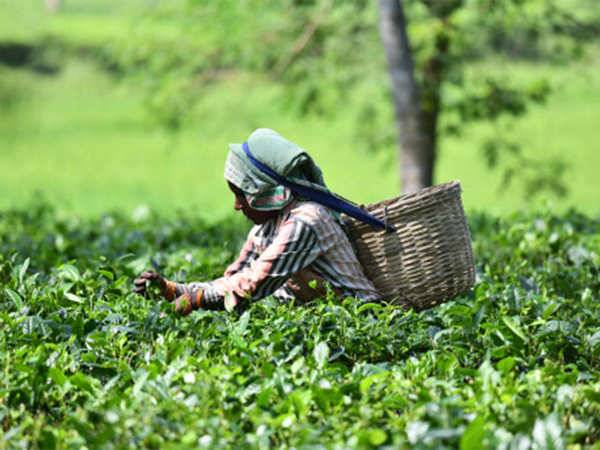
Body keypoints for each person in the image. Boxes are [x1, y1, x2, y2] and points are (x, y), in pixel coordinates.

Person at [133, 128, 380, 315]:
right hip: (323, 318)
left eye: (242, 195)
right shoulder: (266, 229)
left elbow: (252, 285)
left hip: (358, 318)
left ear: (264, 192)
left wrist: (194, 300)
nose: (237, 206)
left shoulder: (306, 220)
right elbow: (232, 281)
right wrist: (170, 289)